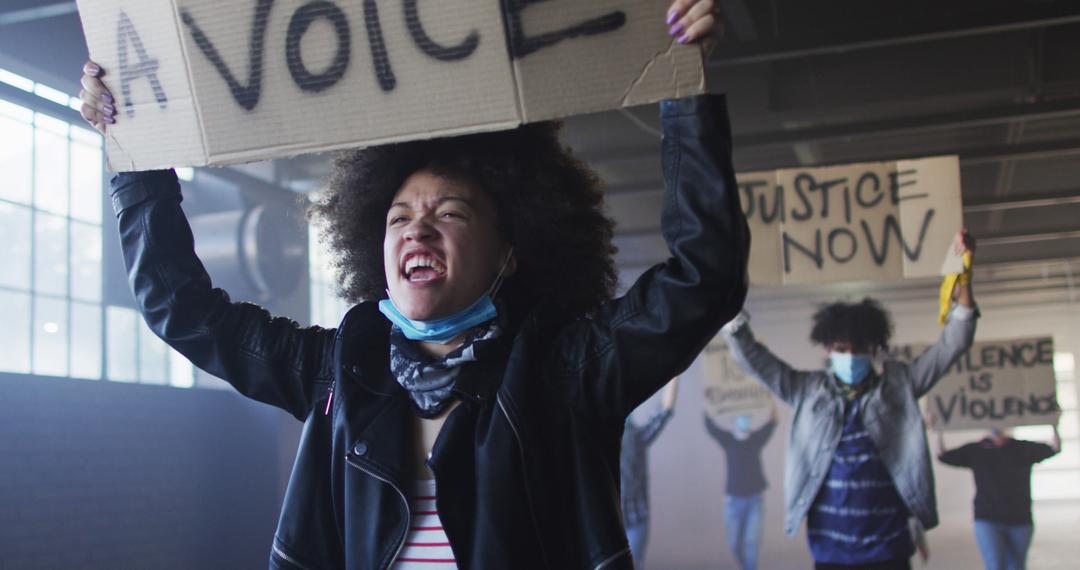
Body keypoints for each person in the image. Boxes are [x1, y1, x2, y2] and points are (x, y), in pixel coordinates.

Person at [78, 2, 745, 568]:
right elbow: (181, 308)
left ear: (509, 251)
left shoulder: (567, 371)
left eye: (449, 213)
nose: (417, 232)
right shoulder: (336, 373)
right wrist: (136, 157)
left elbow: (704, 276)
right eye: (399, 218)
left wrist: (682, 95)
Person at [720, 232, 978, 570]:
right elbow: (753, 357)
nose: (850, 355)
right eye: (841, 349)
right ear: (827, 349)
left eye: (859, 348)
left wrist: (963, 274)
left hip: (890, 551)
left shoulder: (901, 384)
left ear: (875, 349)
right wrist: (728, 298)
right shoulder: (806, 390)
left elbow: (953, 344)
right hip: (830, 553)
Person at [935, 424, 1062, 570]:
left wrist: (1054, 424)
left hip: (1020, 520)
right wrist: (939, 429)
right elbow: (942, 455)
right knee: (995, 566)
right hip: (987, 519)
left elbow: (1055, 448)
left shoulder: (1022, 448)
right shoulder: (976, 450)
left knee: (1017, 566)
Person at [704, 402, 778, 570]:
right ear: (734, 419)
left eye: (747, 417)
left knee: (752, 542)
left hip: (755, 500)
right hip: (733, 501)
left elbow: (772, 422)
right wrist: (708, 406)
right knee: (733, 542)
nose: (745, 420)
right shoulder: (728, 439)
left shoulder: (755, 439)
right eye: (741, 417)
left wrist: (769, 402)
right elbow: (709, 426)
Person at [621, 378, 679, 567]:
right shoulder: (594, 440)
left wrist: (675, 374)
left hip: (636, 519)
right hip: (608, 522)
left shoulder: (636, 436)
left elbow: (664, 411)